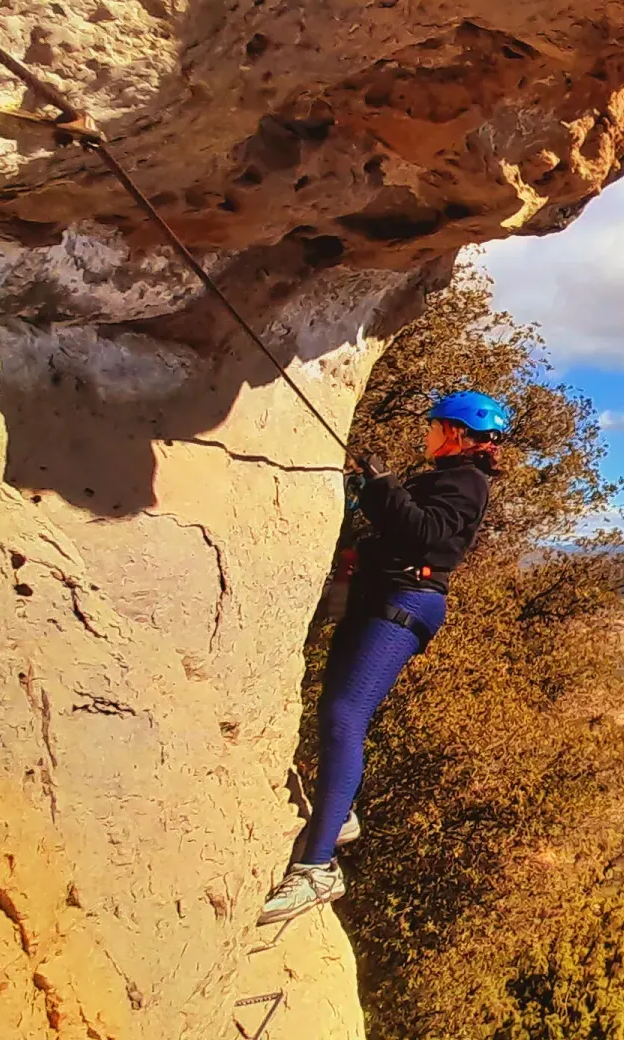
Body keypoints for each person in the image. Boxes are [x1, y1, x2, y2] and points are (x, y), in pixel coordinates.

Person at [260, 391, 512, 925]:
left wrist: (382, 485)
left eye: (434, 426)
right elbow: (401, 522)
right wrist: (367, 494)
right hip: (382, 599)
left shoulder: (467, 482)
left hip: (403, 602)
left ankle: (318, 868)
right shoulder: (446, 478)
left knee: (346, 717)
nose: (427, 433)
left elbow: (425, 533)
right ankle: (339, 813)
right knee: (334, 712)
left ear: (458, 433)